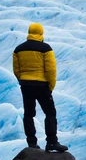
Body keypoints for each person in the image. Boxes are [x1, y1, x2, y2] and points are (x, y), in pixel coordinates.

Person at [13, 23, 68, 152]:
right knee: (50, 113)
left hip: (26, 85)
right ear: (41, 33)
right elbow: (51, 69)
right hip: (42, 85)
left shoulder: (19, 49)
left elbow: (16, 69)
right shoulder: (45, 48)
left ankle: (31, 143)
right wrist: (51, 86)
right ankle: (52, 142)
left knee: (29, 114)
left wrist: (22, 80)